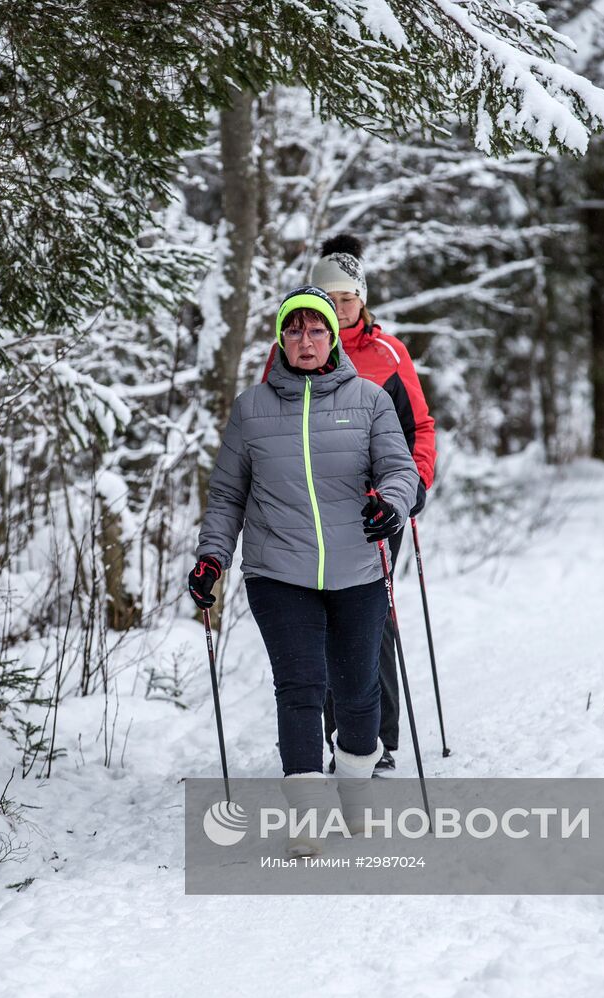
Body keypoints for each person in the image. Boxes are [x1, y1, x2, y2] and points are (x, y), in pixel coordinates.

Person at [189, 286, 419, 857]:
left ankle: (356, 792)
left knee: (358, 689)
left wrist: (389, 505)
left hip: (358, 567)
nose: (306, 340)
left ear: (333, 336)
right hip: (278, 572)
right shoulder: (252, 409)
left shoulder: (369, 400)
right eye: (295, 330)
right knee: (301, 687)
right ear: (281, 339)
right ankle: (309, 820)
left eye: (317, 330)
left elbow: (399, 467)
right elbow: (226, 496)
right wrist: (212, 558)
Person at [263, 235, 438, 774]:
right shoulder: (290, 349)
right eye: (328, 297)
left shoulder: (388, 354)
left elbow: (420, 429)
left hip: (373, 513)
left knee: (368, 624)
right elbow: (269, 426)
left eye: (347, 298)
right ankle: (334, 739)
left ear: (362, 300)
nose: (337, 308)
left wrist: (410, 490)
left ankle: (377, 742)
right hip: (309, 512)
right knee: (315, 627)